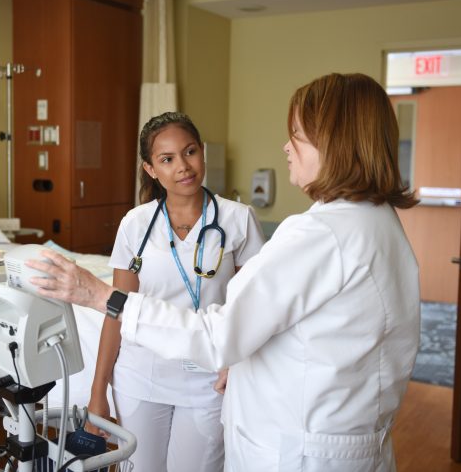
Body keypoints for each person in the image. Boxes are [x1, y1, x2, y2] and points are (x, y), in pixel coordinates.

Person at [28, 73, 420, 472]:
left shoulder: (316, 234)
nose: (286, 146)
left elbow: (220, 335)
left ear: (334, 141)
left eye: (297, 133)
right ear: (150, 169)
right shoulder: (379, 224)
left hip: (298, 448)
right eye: (166, 159)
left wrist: (98, 295)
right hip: (340, 439)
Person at [84, 112, 265, 471]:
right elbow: (117, 308)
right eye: (167, 159)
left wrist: (236, 360)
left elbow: (255, 306)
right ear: (151, 169)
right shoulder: (135, 224)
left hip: (209, 379)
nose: (183, 166)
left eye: (190, 151)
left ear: (202, 153)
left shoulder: (237, 219)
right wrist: (97, 392)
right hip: (141, 375)